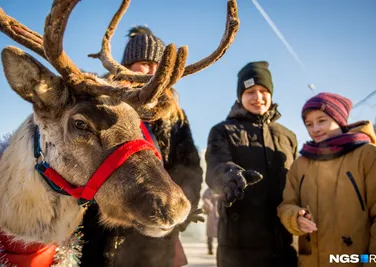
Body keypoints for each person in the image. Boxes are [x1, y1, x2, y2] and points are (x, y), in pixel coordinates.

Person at [80, 26, 203, 267]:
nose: (152, 71)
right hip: (101, 228)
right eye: (145, 63)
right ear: (126, 65)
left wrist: (181, 205)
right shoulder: (102, 105)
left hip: (156, 228)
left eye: (158, 66)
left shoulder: (175, 116)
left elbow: (188, 165)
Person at [278, 92, 376, 267]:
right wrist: (294, 217)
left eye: (322, 120)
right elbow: (286, 205)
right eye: (309, 124)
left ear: (339, 120)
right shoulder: (300, 164)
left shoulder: (371, 156)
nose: (315, 128)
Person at [205, 61, 298, 267]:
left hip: (284, 244)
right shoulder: (222, 131)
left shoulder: (287, 136)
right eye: (250, 91)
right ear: (240, 97)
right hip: (239, 248)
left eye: (263, 90)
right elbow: (215, 168)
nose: (257, 97)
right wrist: (229, 177)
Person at [202, 188, 220, 255]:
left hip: (219, 213)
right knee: (210, 233)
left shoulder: (221, 187)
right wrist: (209, 204)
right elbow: (205, 198)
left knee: (220, 232)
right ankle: (210, 249)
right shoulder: (209, 189)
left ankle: (219, 248)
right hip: (212, 213)